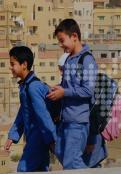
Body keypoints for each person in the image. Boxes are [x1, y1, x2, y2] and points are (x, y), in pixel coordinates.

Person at [47, 18, 100, 169]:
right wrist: (57, 89)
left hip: (78, 121)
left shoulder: (87, 60)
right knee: (64, 157)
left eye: (62, 40)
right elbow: (67, 86)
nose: (61, 45)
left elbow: (88, 90)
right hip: (65, 121)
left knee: (72, 163)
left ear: (74, 37)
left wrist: (64, 92)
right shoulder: (69, 60)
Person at [4, 46, 57, 172]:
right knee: (40, 169)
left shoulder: (32, 87)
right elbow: (23, 114)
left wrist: (51, 140)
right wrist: (13, 136)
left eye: (13, 64)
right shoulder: (26, 86)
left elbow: (43, 115)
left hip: (38, 137)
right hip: (35, 137)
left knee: (23, 170)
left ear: (24, 64)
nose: (10, 67)